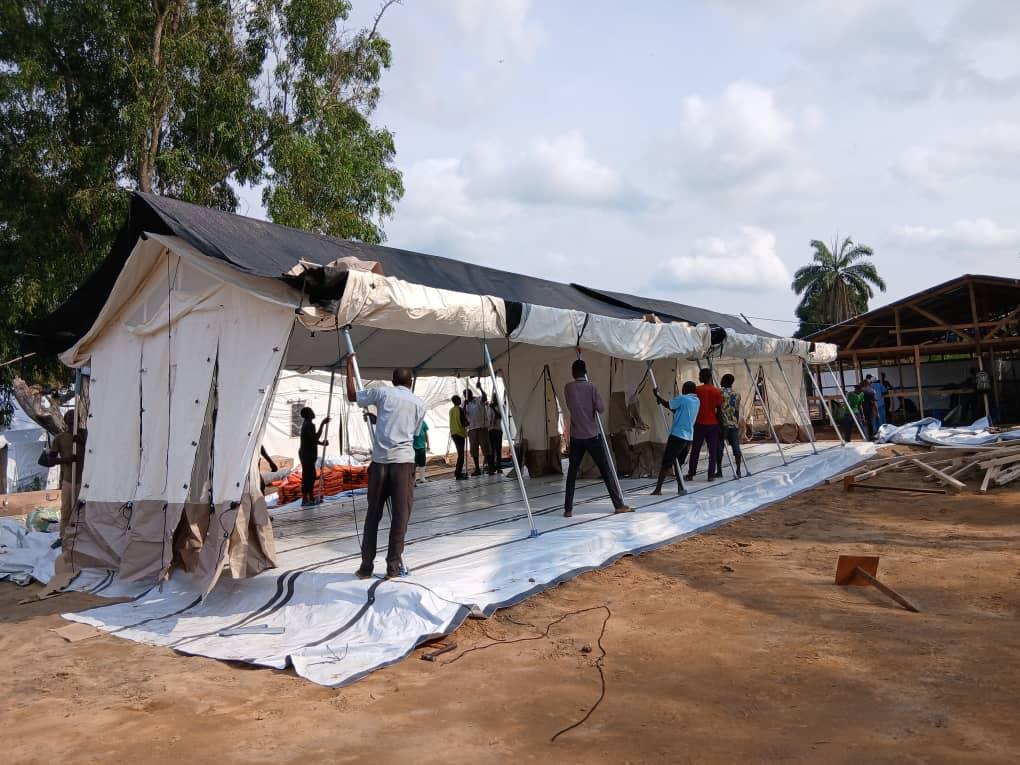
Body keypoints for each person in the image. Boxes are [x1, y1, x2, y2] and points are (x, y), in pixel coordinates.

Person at [346, 359, 426, 580]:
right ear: (411, 383)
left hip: (380, 463)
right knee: (400, 517)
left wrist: (349, 367)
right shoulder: (419, 404)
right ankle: (392, 568)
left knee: (373, 516)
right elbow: (413, 431)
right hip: (403, 464)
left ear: (393, 381)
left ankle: (365, 567)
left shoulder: (382, 394)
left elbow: (353, 396)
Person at [562, 359, 633, 517]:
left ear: (573, 373)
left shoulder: (568, 388)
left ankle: (568, 509)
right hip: (592, 435)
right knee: (606, 470)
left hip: (576, 436)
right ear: (585, 372)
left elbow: (569, 405)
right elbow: (601, 409)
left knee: (572, 474)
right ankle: (618, 504)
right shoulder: (591, 387)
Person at [651, 381, 700, 495]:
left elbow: (669, 404)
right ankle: (680, 487)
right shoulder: (696, 401)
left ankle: (658, 489)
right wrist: (661, 401)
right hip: (688, 438)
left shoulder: (683, 398)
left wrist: (657, 396)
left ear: (686, 389)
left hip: (677, 435)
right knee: (678, 464)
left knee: (667, 462)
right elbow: (676, 410)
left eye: (683, 388)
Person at [51, 410, 85, 538]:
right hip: (68, 481)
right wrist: (66, 460)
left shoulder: (86, 435)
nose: (72, 418)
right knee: (66, 511)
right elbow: (50, 460)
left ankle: (79, 537)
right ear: (65, 420)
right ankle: (63, 537)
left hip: (84, 481)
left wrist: (81, 442)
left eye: (74, 415)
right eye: (69, 415)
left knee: (81, 512)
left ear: (79, 419)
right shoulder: (60, 438)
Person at [686, 368, 723, 481]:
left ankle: (691, 473)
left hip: (699, 423)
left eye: (700, 375)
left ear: (703, 377)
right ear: (710, 377)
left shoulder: (696, 390)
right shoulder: (716, 391)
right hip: (713, 424)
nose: (698, 377)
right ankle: (710, 475)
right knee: (712, 451)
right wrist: (721, 425)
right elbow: (719, 410)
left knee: (695, 450)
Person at [298, 407, 330, 507]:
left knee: (310, 476)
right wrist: (323, 424)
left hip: (307, 454)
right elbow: (315, 437)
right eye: (311, 411)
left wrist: (322, 443)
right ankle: (305, 499)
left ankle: (310, 497)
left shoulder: (307, 425)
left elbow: (312, 440)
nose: (313, 413)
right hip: (306, 454)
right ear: (308, 415)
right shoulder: (308, 425)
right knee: (308, 476)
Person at [718, 374, 744, 478]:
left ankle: (719, 471)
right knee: (736, 448)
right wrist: (736, 423)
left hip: (722, 424)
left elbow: (718, 409)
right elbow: (737, 410)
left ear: (724, 381)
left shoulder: (720, 393)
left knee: (719, 448)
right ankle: (738, 470)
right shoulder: (737, 394)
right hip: (733, 424)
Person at [464, 387, 491, 477]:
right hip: (472, 429)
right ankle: (477, 469)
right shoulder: (465, 403)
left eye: (468, 394)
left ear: (471, 394)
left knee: (486, 448)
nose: (467, 396)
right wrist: (465, 405)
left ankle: (491, 467)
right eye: (465, 395)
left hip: (482, 428)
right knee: (474, 449)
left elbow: (485, 397)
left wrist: (480, 388)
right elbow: (463, 414)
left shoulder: (478, 399)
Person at [449, 395, 468, 480]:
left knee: (460, 453)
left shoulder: (451, 410)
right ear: (458, 401)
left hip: (454, 433)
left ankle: (458, 472)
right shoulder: (459, 409)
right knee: (461, 455)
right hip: (460, 433)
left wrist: (464, 407)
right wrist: (468, 423)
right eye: (460, 399)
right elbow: (463, 421)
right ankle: (458, 473)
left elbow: (458, 415)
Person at [488, 398, 503, 474]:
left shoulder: (500, 407)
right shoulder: (488, 408)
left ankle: (499, 467)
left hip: (497, 430)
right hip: (490, 430)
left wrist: (493, 408)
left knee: (498, 449)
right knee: (492, 450)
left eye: (496, 397)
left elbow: (499, 416)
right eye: (494, 398)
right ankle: (492, 467)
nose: (495, 400)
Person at [413, 419, 429, 485]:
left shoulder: (423, 422)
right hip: (413, 447)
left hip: (422, 446)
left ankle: (422, 478)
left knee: (422, 463)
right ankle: (413, 480)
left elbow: (426, 433)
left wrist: (428, 444)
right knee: (413, 464)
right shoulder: (411, 422)